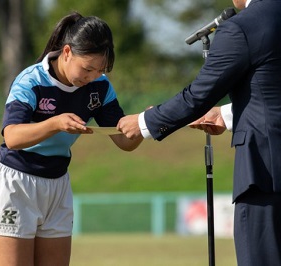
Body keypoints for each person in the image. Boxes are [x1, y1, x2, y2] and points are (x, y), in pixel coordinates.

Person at [117, 0, 281, 265]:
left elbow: (198, 95)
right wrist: (227, 114)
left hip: (266, 173)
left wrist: (144, 122)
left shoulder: (242, 27)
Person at [0, 11, 143, 266]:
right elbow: (12, 137)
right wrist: (55, 123)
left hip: (57, 186)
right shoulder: (31, 81)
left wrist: (146, 124)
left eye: (100, 70)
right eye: (87, 68)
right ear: (66, 52)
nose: (93, 77)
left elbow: (123, 141)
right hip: (15, 186)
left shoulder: (100, 87)